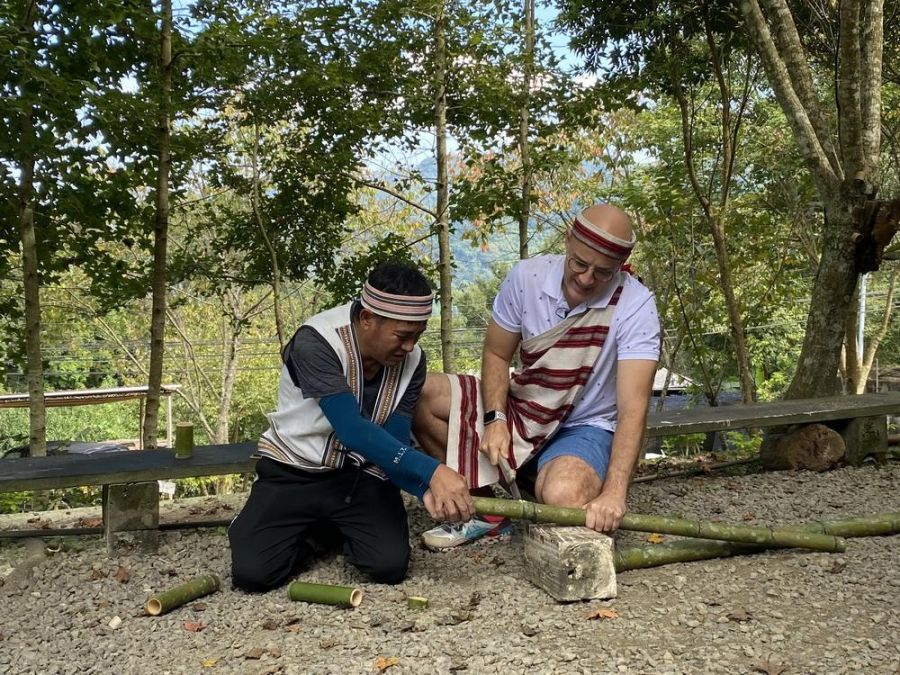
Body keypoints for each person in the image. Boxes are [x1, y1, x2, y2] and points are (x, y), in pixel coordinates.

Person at [413, 204, 660, 549]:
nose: (587, 279)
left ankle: (548, 479)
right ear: (568, 241)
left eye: (603, 272)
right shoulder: (526, 277)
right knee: (422, 392)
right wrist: (495, 418)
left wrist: (615, 494)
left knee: (564, 495)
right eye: (580, 264)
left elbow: (633, 408)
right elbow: (497, 353)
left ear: (620, 267)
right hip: (523, 408)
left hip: (584, 425)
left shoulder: (636, 305)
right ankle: (486, 512)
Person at [230, 262, 474, 590]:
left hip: (362, 476)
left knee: (388, 566)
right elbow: (351, 428)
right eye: (402, 336)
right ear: (367, 319)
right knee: (253, 575)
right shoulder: (316, 342)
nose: (410, 347)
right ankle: (295, 528)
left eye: (417, 336)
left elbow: (395, 439)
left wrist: (424, 488)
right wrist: (433, 471)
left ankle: (330, 527)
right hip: (295, 472)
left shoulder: (413, 362)